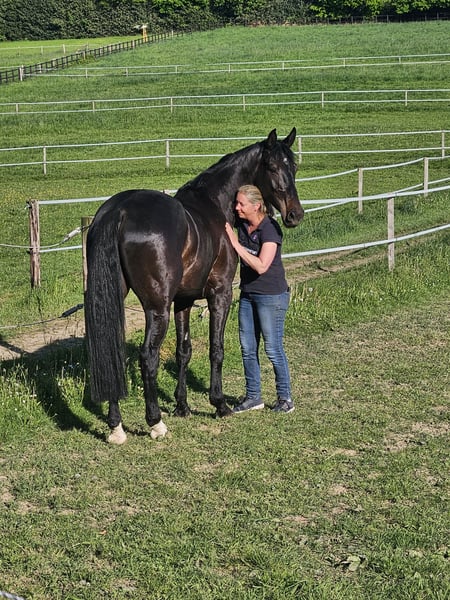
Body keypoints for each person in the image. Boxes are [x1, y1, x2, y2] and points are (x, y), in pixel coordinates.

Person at [225, 184, 294, 414]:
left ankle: (285, 398)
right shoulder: (243, 224)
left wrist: (236, 244)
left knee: (273, 348)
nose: (237, 208)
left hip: (271, 297)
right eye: (236, 203)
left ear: (256, 206)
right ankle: (253, 396)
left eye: (241, 204)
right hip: (248, 294)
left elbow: (262, 266)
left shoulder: (269, 229)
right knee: (247, 347)